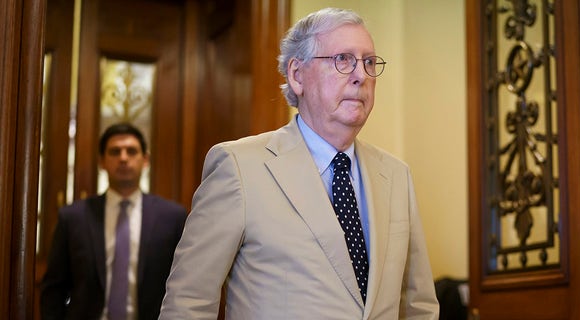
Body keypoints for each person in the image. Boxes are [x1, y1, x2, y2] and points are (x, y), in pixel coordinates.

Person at [159, 7, 439, 319]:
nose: (361, 75)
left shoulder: (396, 175)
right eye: (343, 59)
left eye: (369, 62)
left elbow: (419, 305)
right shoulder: (239, 167)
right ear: (297, 75)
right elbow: (188, 302)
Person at [40, 122, 187, 320]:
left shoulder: (172, 217)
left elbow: (183, 285)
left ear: (145, 160)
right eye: (115, 152)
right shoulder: (73, 217)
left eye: (131, 151)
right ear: (101, 161)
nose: (123, 158)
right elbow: (54, 289)